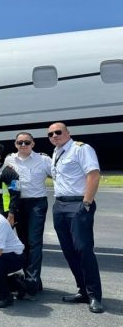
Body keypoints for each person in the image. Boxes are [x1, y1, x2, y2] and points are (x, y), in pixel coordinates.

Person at [48, 122, 103, 313]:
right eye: (50, 134)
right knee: (69, 250)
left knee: (83, 249)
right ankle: (83, 291)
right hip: (60, 205)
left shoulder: (81, 149)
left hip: (78, 204)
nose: (54, 135)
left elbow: (93, 175)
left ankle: (95, 295)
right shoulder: (57, 152)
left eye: (58, 132)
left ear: (67, 133)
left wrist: (86, 203)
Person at [4, 132, 51, 295]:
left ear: (33, 143)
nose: (23, 145)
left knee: (35, 242)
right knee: (23, 243)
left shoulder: (44, 160)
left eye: (26, 142)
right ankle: (34, 279)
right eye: (20, 142)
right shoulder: (9, 159)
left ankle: (31, 280)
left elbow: (60, 176)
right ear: (15, 144)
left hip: (37, 203)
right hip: (18, 204)